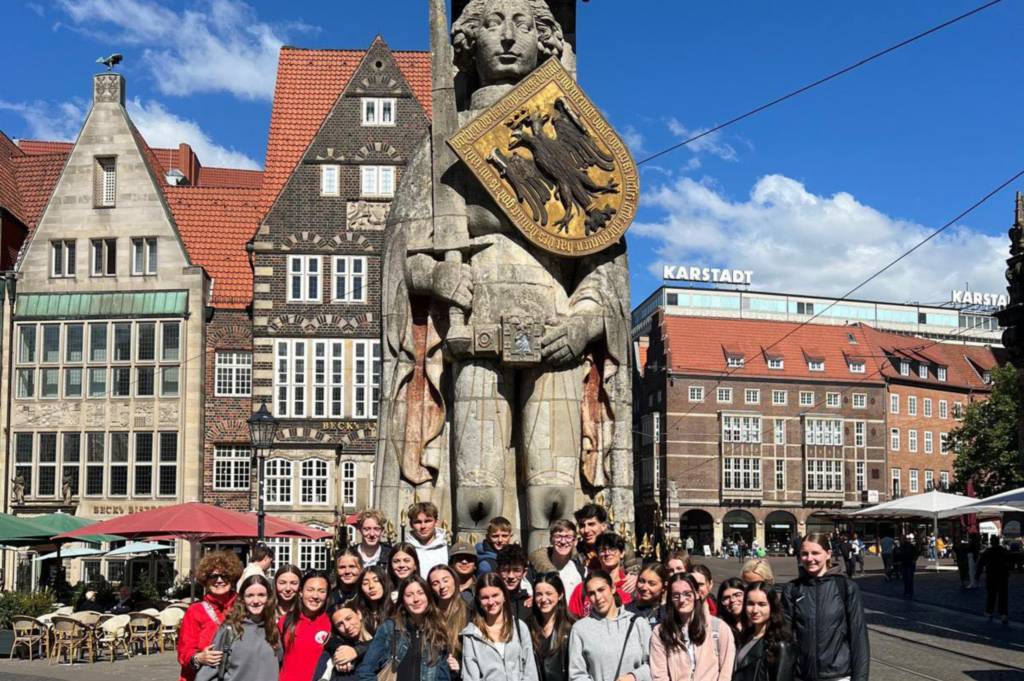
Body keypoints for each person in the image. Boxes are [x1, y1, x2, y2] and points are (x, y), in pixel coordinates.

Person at [780, 533, 869, 681]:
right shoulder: (792, 589)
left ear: (828, 554)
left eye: (815, 553)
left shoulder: (845, 587)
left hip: (838, 675)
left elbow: (859, 638)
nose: (809, 559)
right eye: (804, 554)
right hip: (802, 675)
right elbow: (784, 637)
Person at [358, 574, 452, 681]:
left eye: (420, 593)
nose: (416, 599)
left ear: (428, 597)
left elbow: (443, 677)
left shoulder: (438, 630)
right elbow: (365, 671)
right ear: (402, 601)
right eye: (409, 595)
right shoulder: (390, 628)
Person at [650, 572, 735, 681]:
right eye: (676, 595)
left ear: (697, 594)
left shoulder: (719, 628)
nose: (682, 600)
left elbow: (726, 673)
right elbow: (659, 676)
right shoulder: (661, 632)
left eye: (687, 594)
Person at [568, 570, 651, 681]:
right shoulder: (580, 629)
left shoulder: (637, 623)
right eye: (591, 593)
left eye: (601, 590)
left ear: (613, 588)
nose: (598, 597)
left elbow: (654, 665)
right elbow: (576, 675)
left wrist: (633, 676)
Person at [196, 575, 281, 681]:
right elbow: (208, 672)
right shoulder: (230, 629)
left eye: (261, 595)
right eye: (250, 595)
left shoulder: (273, 630)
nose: (255, 600)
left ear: (269, 598)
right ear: (242, 599)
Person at [177, 550, 243, 681]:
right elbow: (184, 651)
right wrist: (199, 657)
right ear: (205, 581)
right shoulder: (195, 611)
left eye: (225, 576)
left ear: (232, 578)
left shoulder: (243, 607)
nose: (219, 580)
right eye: (213, 576)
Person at [461, 573, 538, 680]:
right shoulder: (472, 635)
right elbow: (470, 677)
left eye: (495, 595)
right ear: (478, 600)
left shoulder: (519, 627)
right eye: (485, 597)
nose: (491, 602)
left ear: (504, 596)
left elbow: (530, 670)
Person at [732, 582, 795, 681]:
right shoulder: (745, 636)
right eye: (750, 604)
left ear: (772, 607)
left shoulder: (781, 644)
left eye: (762, 604)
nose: (755, 610)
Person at [573, 505, 640, 591]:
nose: (586, 530)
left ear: (603, 526)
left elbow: (633, 571)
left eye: (591, 524)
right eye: (582, 526)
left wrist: (634, 575)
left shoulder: (621, 547)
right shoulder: (576, 550)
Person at [279, 570, 331, 681]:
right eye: (310, 590)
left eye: (321, 591)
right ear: (301, 592)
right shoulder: (287, 620)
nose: (315, 596)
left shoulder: (332, 623)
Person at [568, 533, 632, 618]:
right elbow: (572, 619)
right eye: (602, 550)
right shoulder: (583, 588)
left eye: (612, 549)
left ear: (622, 553)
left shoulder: (630, 587)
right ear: (597, 555)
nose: (607, 553)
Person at [530, 572, 576, 681]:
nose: (543, 599)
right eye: (539, 594)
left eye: (549, 593)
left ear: (560, 595)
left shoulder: (572, 628)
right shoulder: (528, 627)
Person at [530, 520, 587, 603]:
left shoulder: (582, 571)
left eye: (568, 537)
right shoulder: (534, 570)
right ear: (551, 540)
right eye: (558, 536)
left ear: (575, 542)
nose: (563, 541)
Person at [312, 604, 371, 681]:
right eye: (340, 625)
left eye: (349, 618)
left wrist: (356, 651)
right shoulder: (330, 653)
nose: (347, 626)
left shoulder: (380, 640)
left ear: (359, 614)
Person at [428, 564, 469, 676]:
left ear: (454, 581)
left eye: (445, 580)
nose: (442, 586)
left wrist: (461, 667)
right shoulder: (428, 616)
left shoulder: (469, 612)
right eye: (435, 583)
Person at [406, 501, 450, 578]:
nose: (423, 526)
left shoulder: (447, 551)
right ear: (411, 524)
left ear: (436, 521)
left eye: (427, 521)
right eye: (418, 522)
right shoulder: (405, 550)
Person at [977, 534, 1010, 623]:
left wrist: (977, 575)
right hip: (1003, 575)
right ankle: (1003, 614)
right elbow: (1010, 562)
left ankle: (989, 612)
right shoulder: (1004, 551)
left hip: (992, 575)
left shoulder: (988, 552)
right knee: (1003, 595)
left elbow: (981, 564)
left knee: (991, 595)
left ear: (991, 542)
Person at [498, 544, 535, 622]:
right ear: (498, 571)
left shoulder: (530, 603)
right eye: (506, 570)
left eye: (516, 570)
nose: (511, 576)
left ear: (524, 572)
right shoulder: (491, 601)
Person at [353, 565, 390, 636]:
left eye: (376, 581)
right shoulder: (357, 614)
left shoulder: (396, 611)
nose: (371, 586)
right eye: (365, 583)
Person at [450, 540, 479, 606]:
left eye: (469, 559)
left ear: (475, 565)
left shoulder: (480, 588)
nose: (464, 562)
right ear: (451, 564)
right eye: (459, 558)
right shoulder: (445, 588)